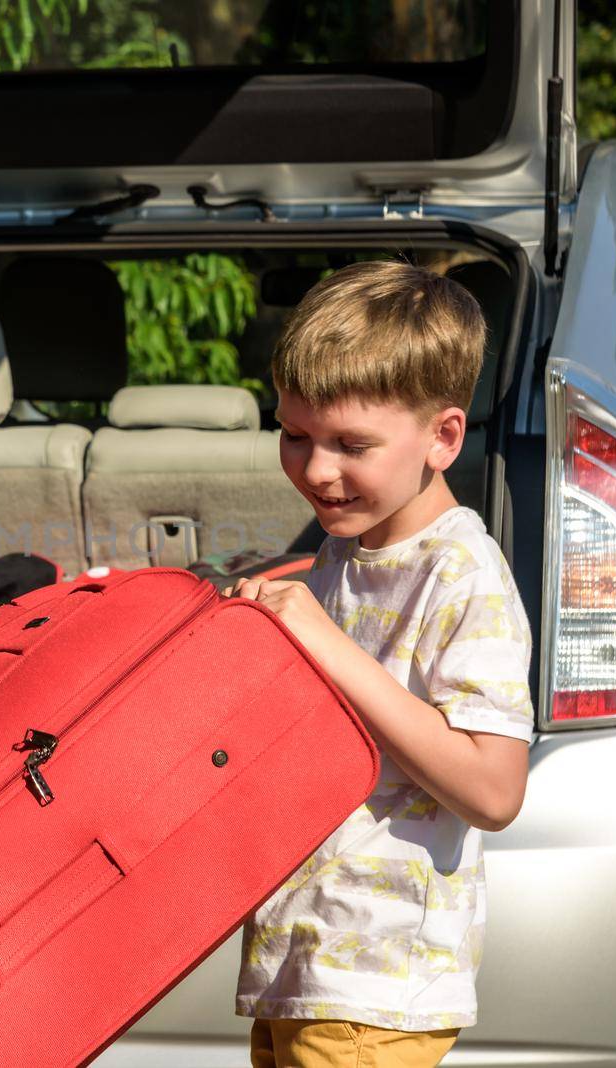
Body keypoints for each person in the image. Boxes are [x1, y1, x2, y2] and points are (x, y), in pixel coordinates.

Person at [232, 261, 533, 1067]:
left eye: (349, 444)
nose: (316, 468)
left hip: (377, 987)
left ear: (443, 437)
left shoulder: (463, 573)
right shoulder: (338, 557)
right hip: (304, 965)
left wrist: (325, 648)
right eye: (294, 435)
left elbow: (493, 789)